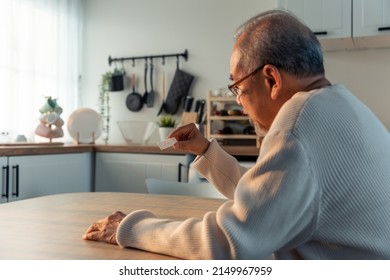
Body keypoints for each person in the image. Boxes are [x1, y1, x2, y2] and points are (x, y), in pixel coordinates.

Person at [83, 10, 390, 259]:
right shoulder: (341, 105)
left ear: (271, 79)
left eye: (238, 88)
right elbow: (267, 203)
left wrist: (130, 227)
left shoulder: (296, 124)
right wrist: (206, 151)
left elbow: (230, 242)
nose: (239, 102)